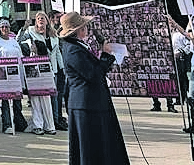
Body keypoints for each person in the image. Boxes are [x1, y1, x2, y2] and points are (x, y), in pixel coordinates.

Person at [59, 11, 130, 165]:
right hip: (86, 105)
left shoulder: (77, 46)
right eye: (84, 27)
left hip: (91, 103)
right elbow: (93, 74)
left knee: (100, 145)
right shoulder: (73, 49)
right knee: (89, 148)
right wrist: (106, 56)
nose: (87, 29)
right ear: (78, 30)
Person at [19, 11, 60, 135]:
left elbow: (57, 53)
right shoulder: (30, 31)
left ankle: (50, 125)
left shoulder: (53, 35)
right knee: (36, 98)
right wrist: (24, 28)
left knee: (47, 98)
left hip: (49, 70)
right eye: (38, 18)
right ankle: (38, 125)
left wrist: (61, 68)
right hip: (33, 69)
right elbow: (19, 41)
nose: (40, 20)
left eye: (42, 18)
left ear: (47, 21)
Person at [0, 18, 27, 135]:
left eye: (7, 27)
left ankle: (19, 123)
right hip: (4, 76)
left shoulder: (14, 41)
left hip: (16, 74)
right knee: (6, 101)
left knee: (17, 101)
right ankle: (7, 124)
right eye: (2, 27)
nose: (5, 29)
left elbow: (20, 57)